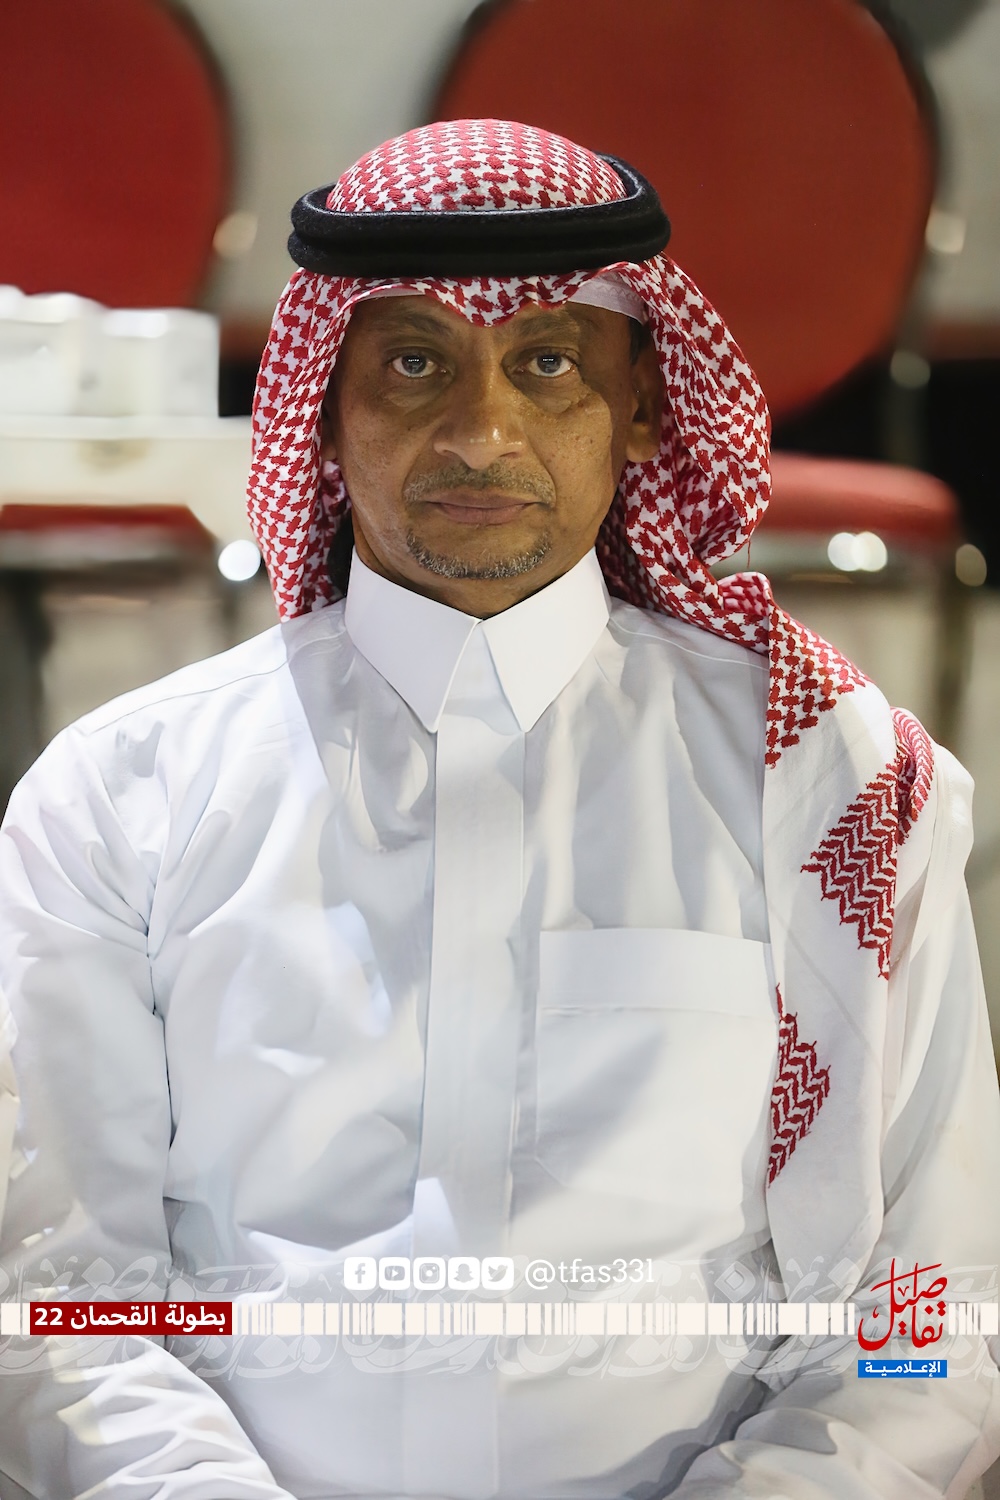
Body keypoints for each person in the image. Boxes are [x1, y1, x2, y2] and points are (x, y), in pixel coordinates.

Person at [0, 118, 998, 1500]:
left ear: (643, 405)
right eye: (414, 364)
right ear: (323, 403)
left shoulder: (833, 787)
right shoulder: (123, 798)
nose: (482, 432)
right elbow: (61, 1304)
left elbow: (925, 1319)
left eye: (549, 363)